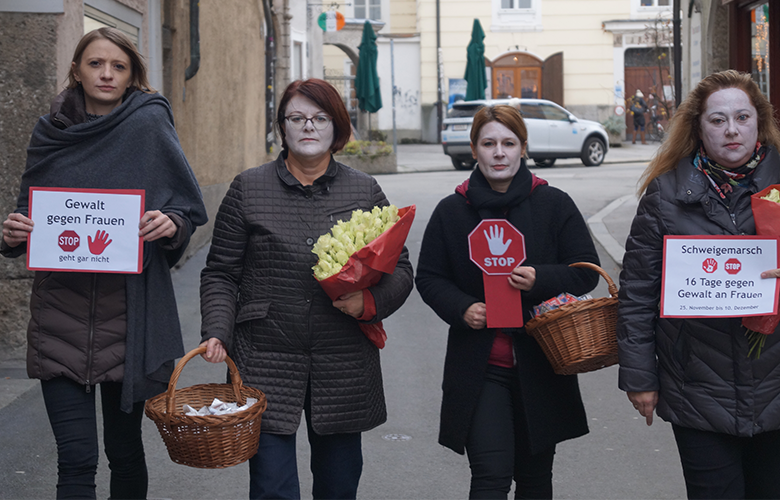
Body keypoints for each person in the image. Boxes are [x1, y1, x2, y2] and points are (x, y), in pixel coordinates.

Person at [0, 27, 207, 499]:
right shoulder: (49, 130)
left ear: (133, 73)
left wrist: (170, 224)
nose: (107, 74)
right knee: (75, 459)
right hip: (60, 317)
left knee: (125, 452)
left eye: (118, 66)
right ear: (76, 69)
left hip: (130, 318)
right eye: (95, 64)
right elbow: (26, 213)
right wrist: (13, 233)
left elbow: (187, 208)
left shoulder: (149, 123)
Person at [199, 78, 413, 500]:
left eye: (320, 118)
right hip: (264, 355)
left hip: (343, 358)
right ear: (283, 127)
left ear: (337, 128)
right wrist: (217, 330)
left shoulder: (363, 189)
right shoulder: (249, 188)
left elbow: (400, 269)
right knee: (271, 487)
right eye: (297, 118)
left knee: (338, 485)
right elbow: (221, 272)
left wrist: (369, 301)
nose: (308, 127)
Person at [415, 104, 600, 499]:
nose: (499, 152)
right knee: (491, 475)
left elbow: (586, 271)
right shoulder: (452, 211)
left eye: (508, 143)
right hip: (481, 368)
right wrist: (461, 307)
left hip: (543, 363)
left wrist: (540, 278)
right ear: (474, 149)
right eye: (489, 143)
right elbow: (429, 277)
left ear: (523, 148)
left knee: (535, 480)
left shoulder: (554, 205)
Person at [617, 70, 780, 500]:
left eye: (743, 117)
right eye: (717, 119)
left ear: (759, 122)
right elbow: (637, 293)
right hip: (697, 390)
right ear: (698, 128)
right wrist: (640, 377)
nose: (731, 130)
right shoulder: (665, 195)